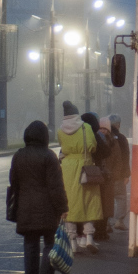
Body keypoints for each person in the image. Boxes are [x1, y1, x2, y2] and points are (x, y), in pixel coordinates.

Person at [8, 120, 68, 274]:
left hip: (25, 208)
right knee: (50, 243)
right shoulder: (49, 156)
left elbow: (14, 182)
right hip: (47, 208)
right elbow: (56, 186)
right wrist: (62, 207)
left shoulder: (19, 155)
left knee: (30, 243)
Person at [56, 101, 101, 253]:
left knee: (70, 204)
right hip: (84, 167)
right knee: (89, 202)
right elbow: (92, 146)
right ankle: (89, 238)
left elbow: (63, 148)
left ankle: (72, 242)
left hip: (67, 169)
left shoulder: (60, 131)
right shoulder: (85, 127)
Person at [82, 112, 112, 239]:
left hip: (79, 172)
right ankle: (99, 231)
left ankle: (81, 232)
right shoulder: (95, 136)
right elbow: (106, 152)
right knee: (98, 201)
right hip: (95, 172)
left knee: (82, 201)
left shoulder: (77, 135)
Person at [101, 114, 130, 232]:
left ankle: (107, 222)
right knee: (121, 197)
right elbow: (125, 157)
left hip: (105, 174)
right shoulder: (122, 138)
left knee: (107, 198)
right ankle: (119, 221)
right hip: (118, 173)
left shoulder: (103, 137)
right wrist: (126, 174)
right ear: (118, 125)